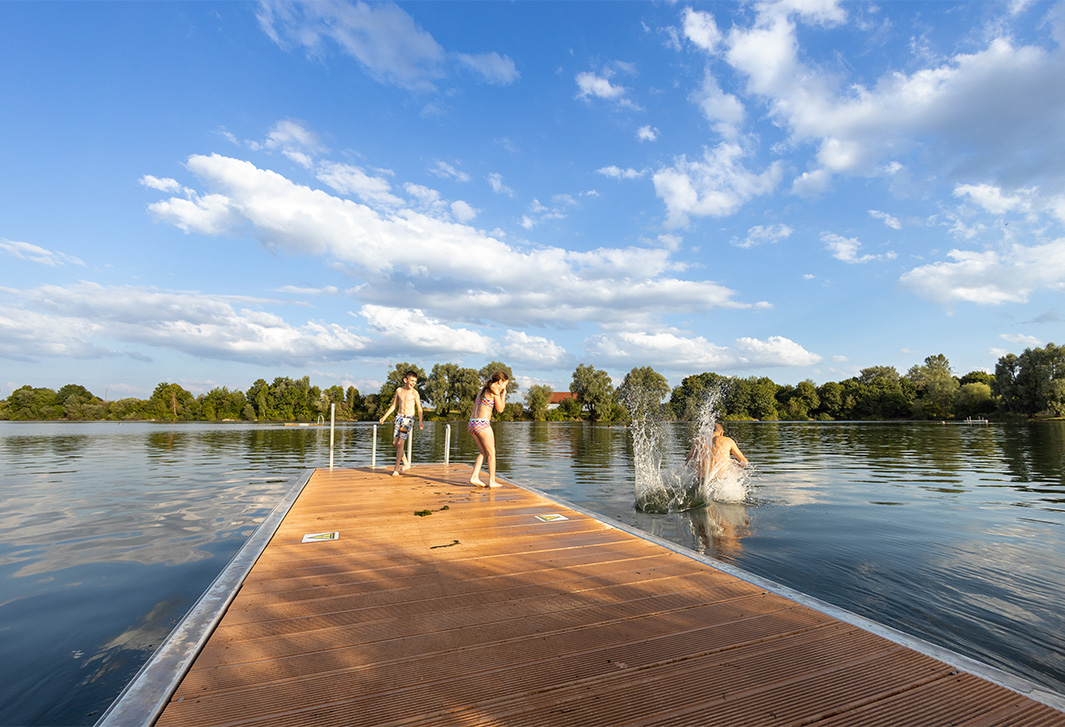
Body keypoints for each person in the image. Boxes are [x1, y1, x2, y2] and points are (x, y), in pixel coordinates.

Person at [378, 371, 424, 476]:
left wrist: (420, 421)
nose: (413, 383)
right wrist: (384, 417)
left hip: (408, 419)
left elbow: (419, 408)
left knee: (400, 443)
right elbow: (394, 406)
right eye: (412, 381)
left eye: (415, 381)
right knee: (395, 443)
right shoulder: (399, 390)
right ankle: (406, 463)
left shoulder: (414, 393)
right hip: (399, 418)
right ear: (405, 380)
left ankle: (396, 468)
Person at [468, 371, 509, 488]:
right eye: (505, 385)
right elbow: (500, 409)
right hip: (483, 423)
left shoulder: (482, 390)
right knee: (492, 453)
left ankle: (474, 476)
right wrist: (503, 395)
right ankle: (492, 481)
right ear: (500, 382)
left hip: (472, 424)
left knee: (483, 452)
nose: (504, 387)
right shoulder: (494, 391)